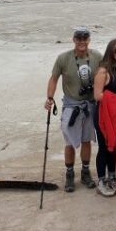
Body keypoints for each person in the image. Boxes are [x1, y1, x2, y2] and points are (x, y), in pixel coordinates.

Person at [44, 26, 101, 192]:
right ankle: (69, 173)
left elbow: (106, 74)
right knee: (69, 141)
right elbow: (54, 78)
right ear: (74, 39)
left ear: (89, 40)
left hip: (90, 105)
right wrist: (49, 98)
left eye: (85, 38)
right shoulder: (63, 58)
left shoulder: (97, 56)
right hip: (71, 105)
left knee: (86, 140)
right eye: (79, 38)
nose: (82, 42)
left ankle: (85, 171)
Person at [93, 38, 116, 197]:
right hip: (103, 114)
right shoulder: (103, 71)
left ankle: (112, 177)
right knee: (104, 146)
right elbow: (97, 95)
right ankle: (101, 180)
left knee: (113, 145)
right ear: (109, 50)